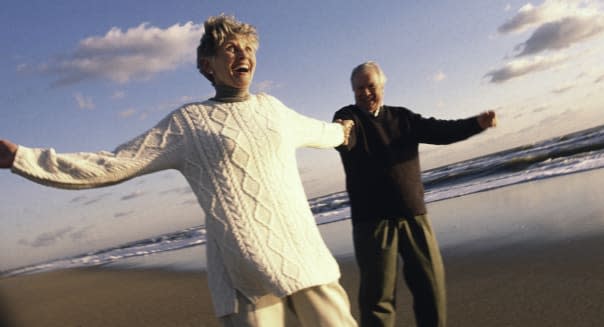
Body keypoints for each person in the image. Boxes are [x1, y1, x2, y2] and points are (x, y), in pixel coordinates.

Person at [0, 15, 358, 327]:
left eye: (248, 49)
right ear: (207, 65)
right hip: (241, 273)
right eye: (231, 49)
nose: (243, 55)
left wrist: (343, 130)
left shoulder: (273, 109)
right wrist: (22, 158)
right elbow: (114, 163)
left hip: (302, 255)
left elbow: (321, 131)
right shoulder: (189, 123)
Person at [333, 61, 497, 327]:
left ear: (382, 86)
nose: (365, 93)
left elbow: (440, 131)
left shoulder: (402, 118)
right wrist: (342, 131)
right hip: (372, 222)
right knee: (378, 297)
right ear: (353, 91)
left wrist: (476, 124)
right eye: (359, 88)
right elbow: (345, 136)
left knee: (431, 286)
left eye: (370, 86)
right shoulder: (348, 116)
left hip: (413, 215)